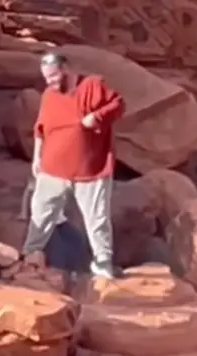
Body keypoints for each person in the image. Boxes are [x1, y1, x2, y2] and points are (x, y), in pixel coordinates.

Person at [23, 51, 125, 279]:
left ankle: (103, 261)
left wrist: (97, 117)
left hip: (90, 169)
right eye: (46, 78)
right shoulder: (49, 95)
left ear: (66, 69)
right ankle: (29, 256)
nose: (50, 82)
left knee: (97, 217)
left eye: (53, 76)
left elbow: (118, 104)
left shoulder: (92, 85)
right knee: (40, 213)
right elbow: (41, 129)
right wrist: (37, 157)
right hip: (52, 169)